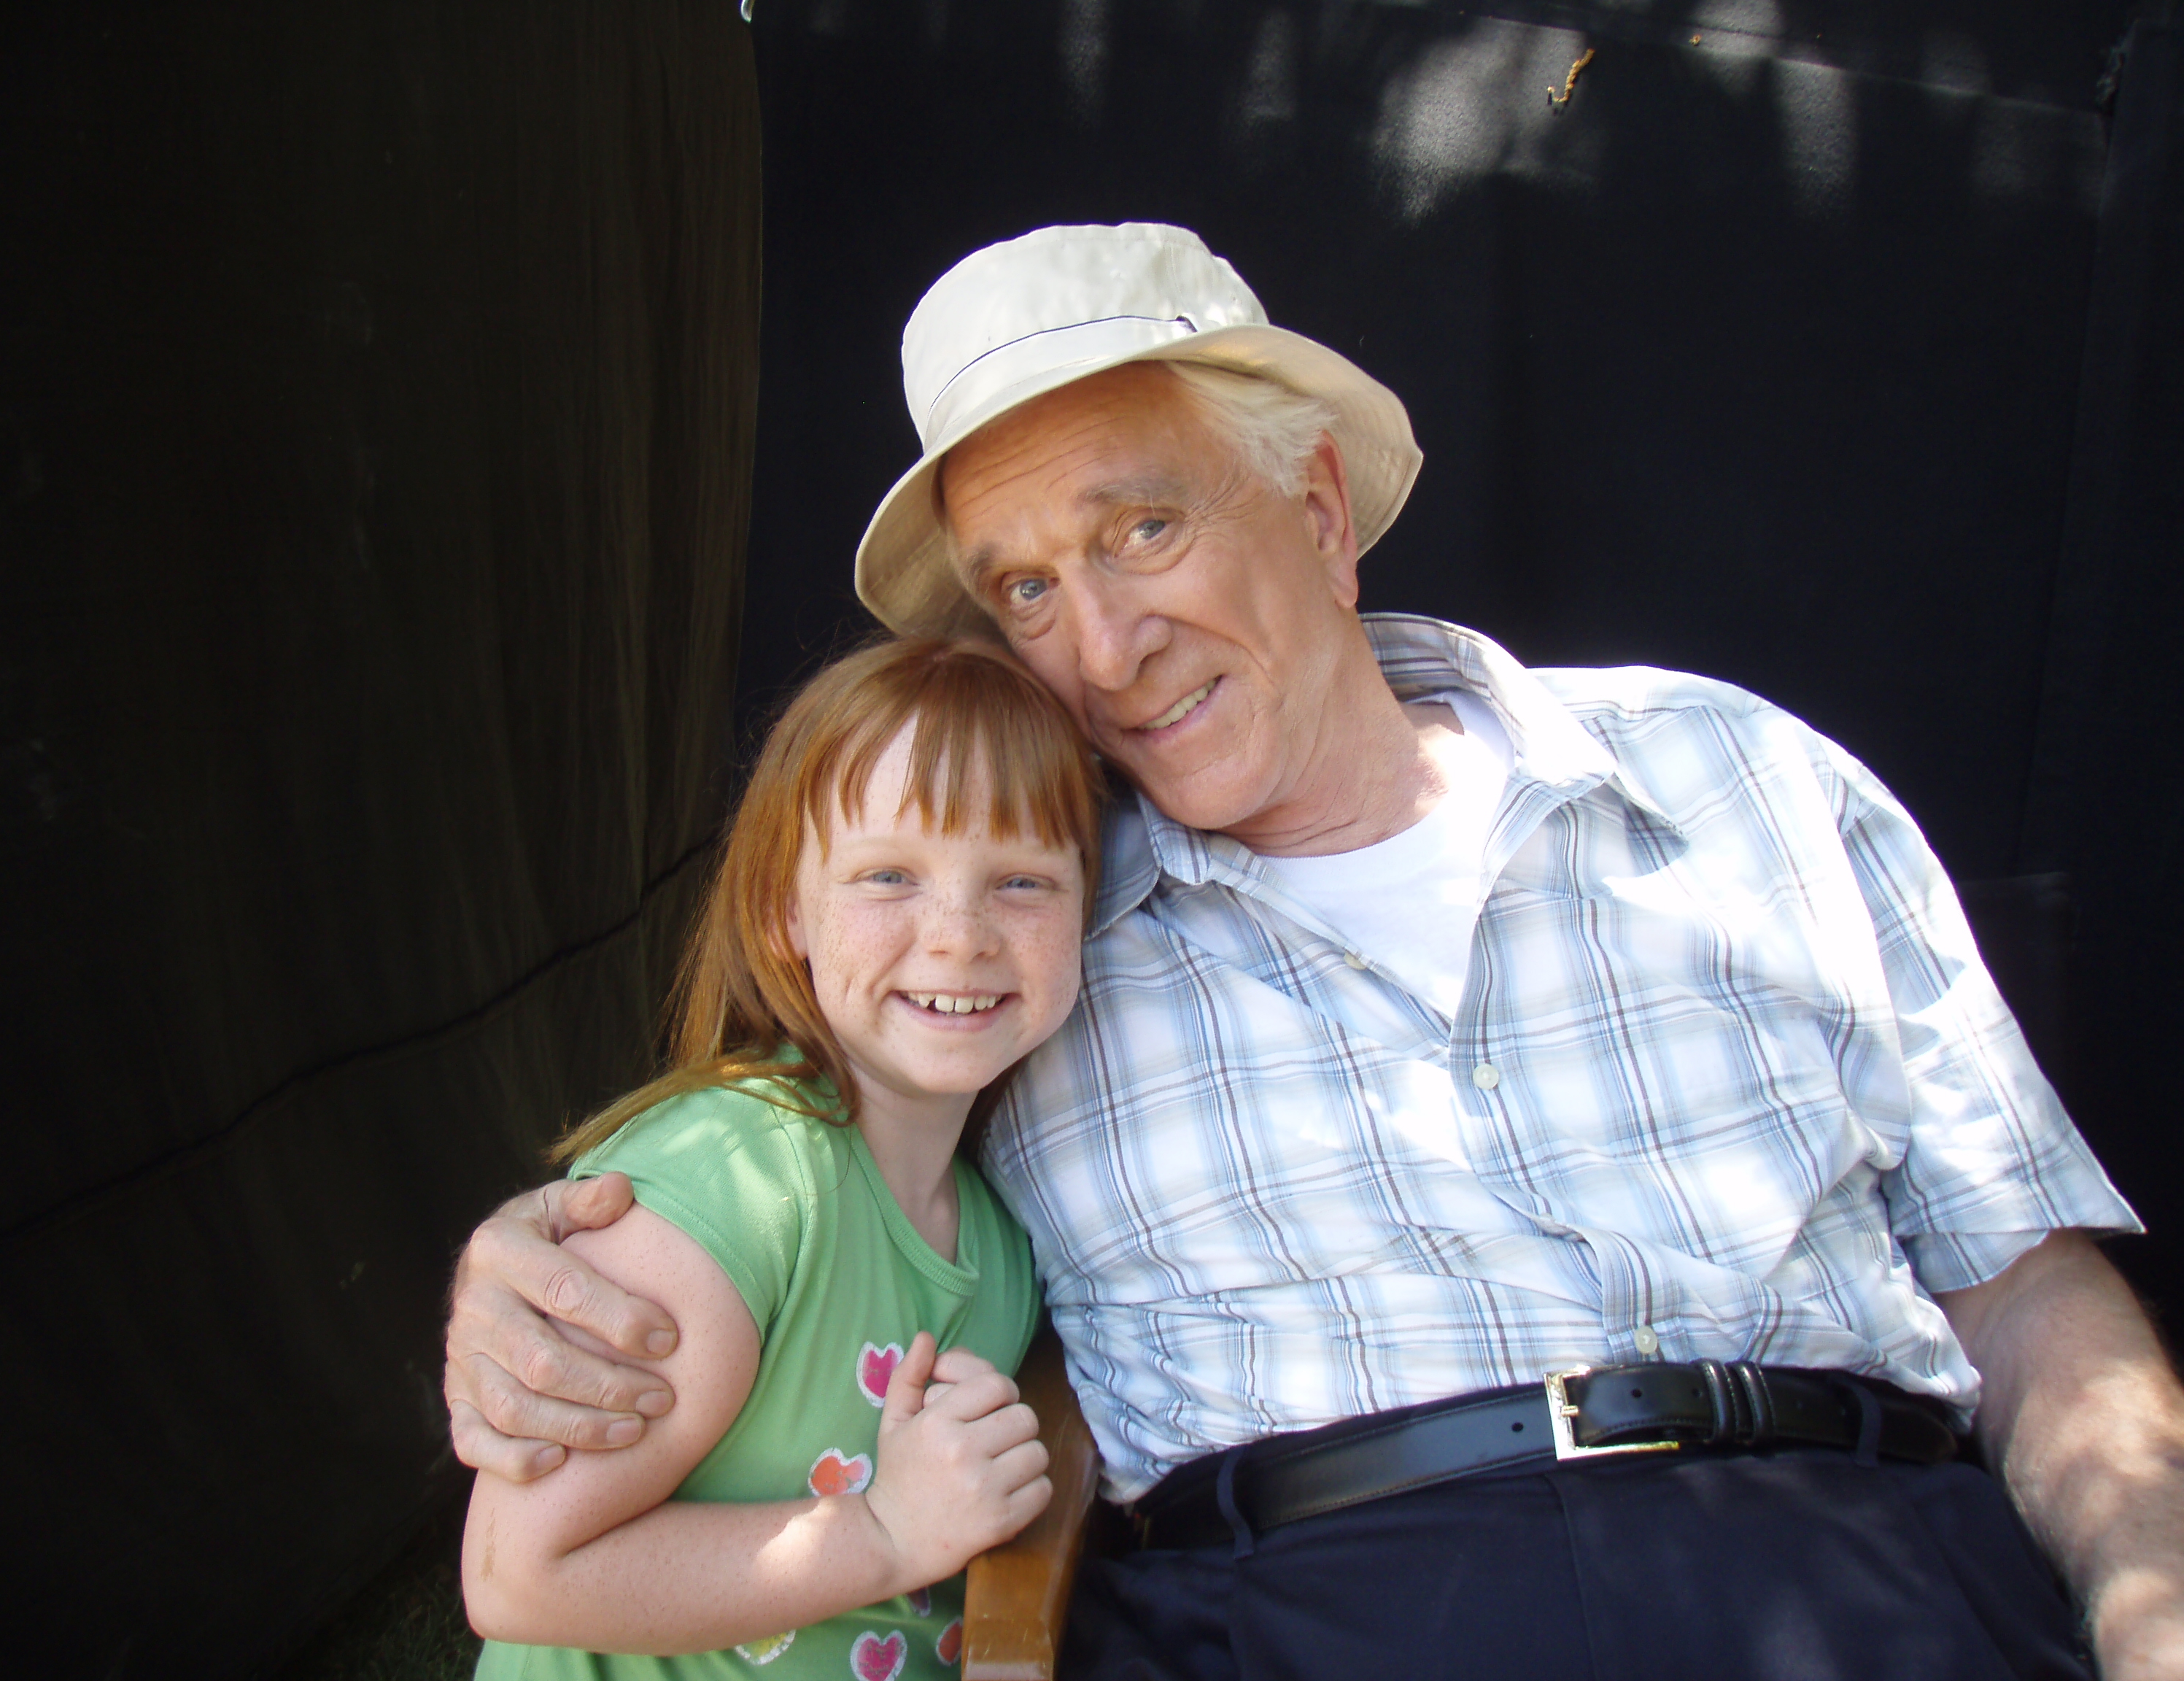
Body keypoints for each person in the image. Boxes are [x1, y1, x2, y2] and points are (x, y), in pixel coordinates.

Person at [444, 225, 2184, 1679]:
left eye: (1142, 528)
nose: (1106, 645)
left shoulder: (1732, 776)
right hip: (1315, 1609)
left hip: (1849, 1578)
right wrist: (532, 1267)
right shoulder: (1025, 928)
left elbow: (2024, 1286)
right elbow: (787, 1157)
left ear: (1323, 516)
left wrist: (2152, 1611)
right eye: (1028, 590)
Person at [460, 635, 1107, 1680]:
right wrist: (887, 1533)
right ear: (782, 910)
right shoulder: (743, 1185)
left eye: (1023, 882)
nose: (960, 934)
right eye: (888, 875)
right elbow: (519, 1574)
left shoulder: (998, 1231)